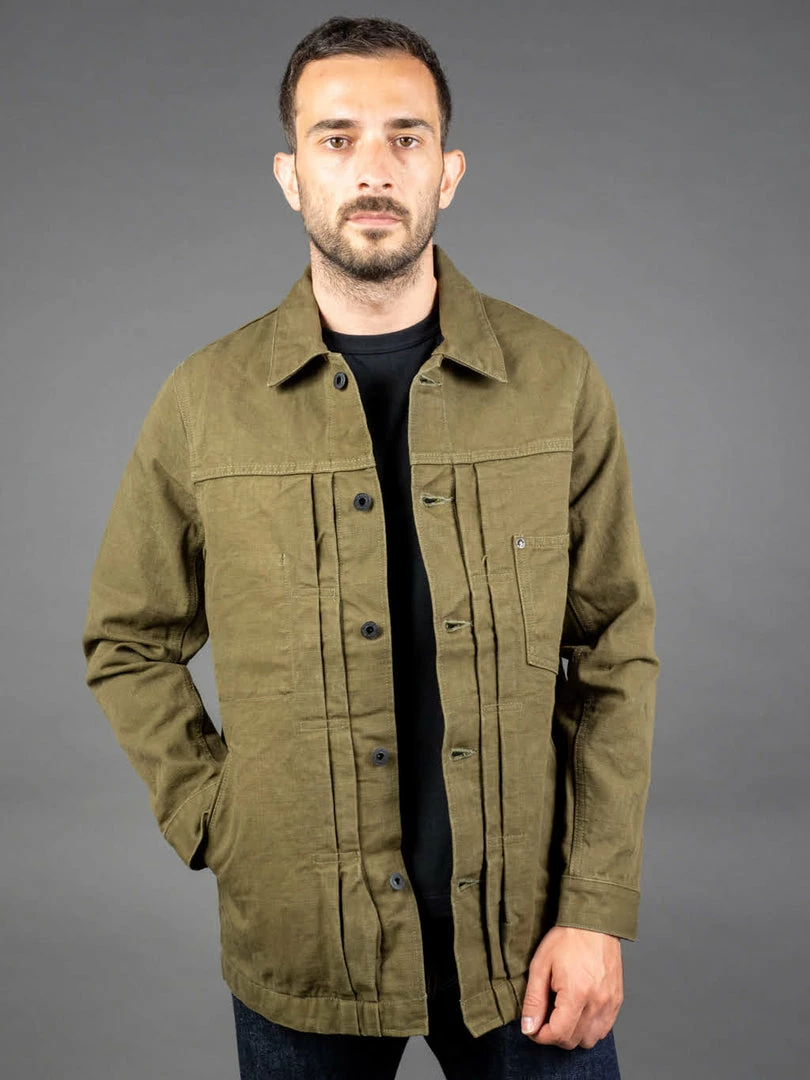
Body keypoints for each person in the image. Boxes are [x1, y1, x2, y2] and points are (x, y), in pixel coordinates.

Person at [81, 14, 659, 1080]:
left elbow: (615, 650)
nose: (374, 168)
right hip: (303, 941)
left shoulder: (556, 380)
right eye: (336, 138)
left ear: (450, 170)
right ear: (290, 174)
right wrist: (217, 817)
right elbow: (127, 639)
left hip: (526, 938)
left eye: (406, 136)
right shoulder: (204, 402)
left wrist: (593, 907)